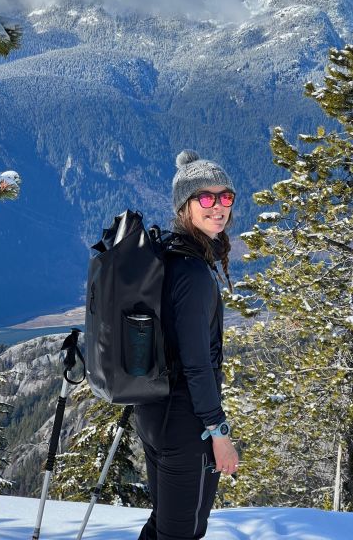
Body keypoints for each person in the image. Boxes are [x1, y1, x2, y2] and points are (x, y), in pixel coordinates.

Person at [135, 149, 240, 540]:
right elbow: (197, 363)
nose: (218, 207)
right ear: (185, 205)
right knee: (183, 533)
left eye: (225, 197)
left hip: (154, 411)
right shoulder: (193, 272)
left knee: (164, 524)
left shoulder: (168, 256)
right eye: (206, 198)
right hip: (185, 423)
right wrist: (219, 433)